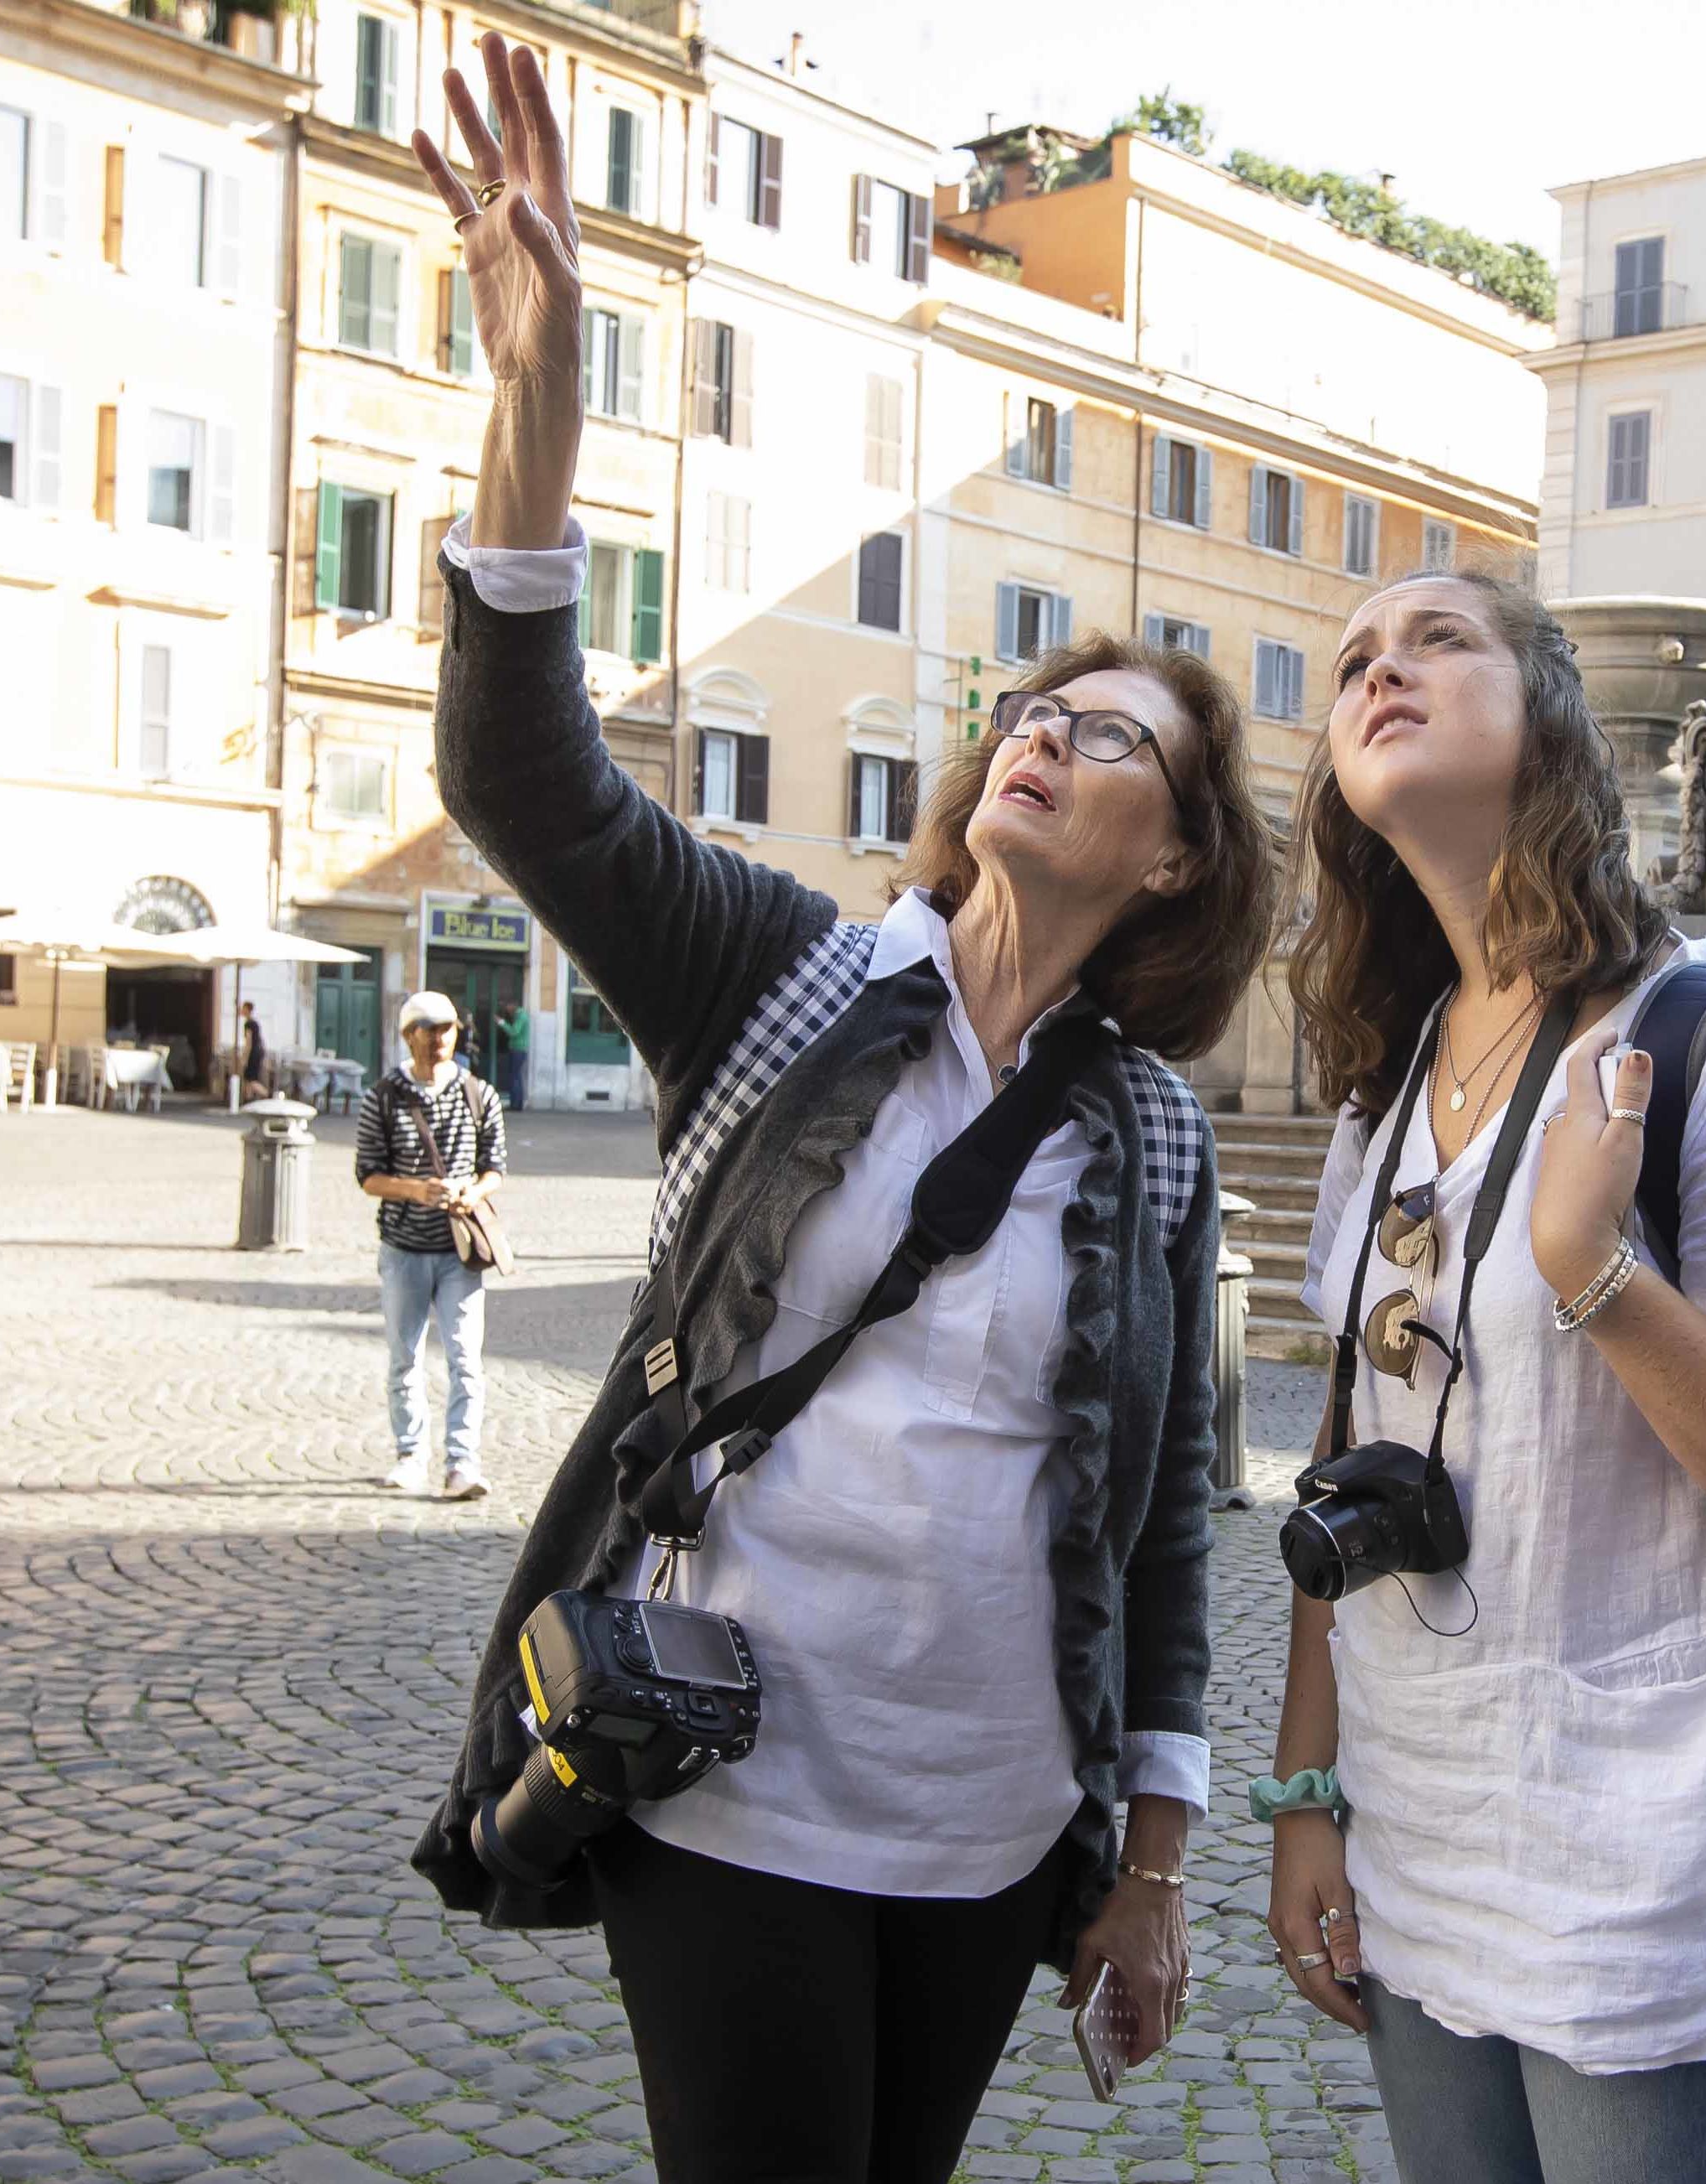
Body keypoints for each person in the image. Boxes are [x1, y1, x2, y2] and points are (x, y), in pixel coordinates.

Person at [396, 44, 1279, 2181]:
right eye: (1037, 711)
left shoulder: (1150, 1136)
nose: (1046, 738)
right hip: (727, 1772)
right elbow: (526, 779)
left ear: (1174, 862)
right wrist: (537, 408)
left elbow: (1164, 1524)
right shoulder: (780, 970)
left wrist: (1146, 1861)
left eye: (1114, 739)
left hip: (990, 1823)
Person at [1263, 568, 1706, 2182]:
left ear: (1547, 718)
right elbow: (1351, 1454)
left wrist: (1598, 1279)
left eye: (1436, 640)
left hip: (1656, 1857)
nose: (1381, 668)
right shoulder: (1385, 1096)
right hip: (1430, 1829)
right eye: (1352, 662)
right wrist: (1307, 1791)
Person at [363, 990, 503, 1502]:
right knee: (405, 1357)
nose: (441, 1037)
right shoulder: (383, 1095)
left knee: (466, 1358)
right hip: (403, 1249)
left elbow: (496, 1167)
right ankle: (410, 1456)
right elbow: (368, 1176)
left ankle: (463, 1464)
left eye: (448, 1028)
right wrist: (416, 1190)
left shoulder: (478, 1093)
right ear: (408, 1035)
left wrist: (472, 1190)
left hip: (459, 1251)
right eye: (430, 1028)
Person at [491, 995, 530, 1110]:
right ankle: (517, 1104)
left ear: (513, 1005)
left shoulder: (521, 1016)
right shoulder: (519, 1015)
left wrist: (501, 1022)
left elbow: (514, 1032)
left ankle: (516, 1105)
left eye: (507, 1006)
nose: (506, 1009)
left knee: (515, 1077)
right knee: (516, 1076)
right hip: (518, 1049)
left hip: (518, 1050)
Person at [234, 999, 271, 1103]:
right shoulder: (255, 1023)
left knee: (251, 1079)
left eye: (243, 1008)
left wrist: (244, 1058)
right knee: (248, 1079)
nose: (241, 1010)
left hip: (253, 1054)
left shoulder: (249, 1024)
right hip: (258, 1052)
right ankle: (248, 1100)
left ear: (247, 1010)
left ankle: (268, 1095)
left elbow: (248, 1042)